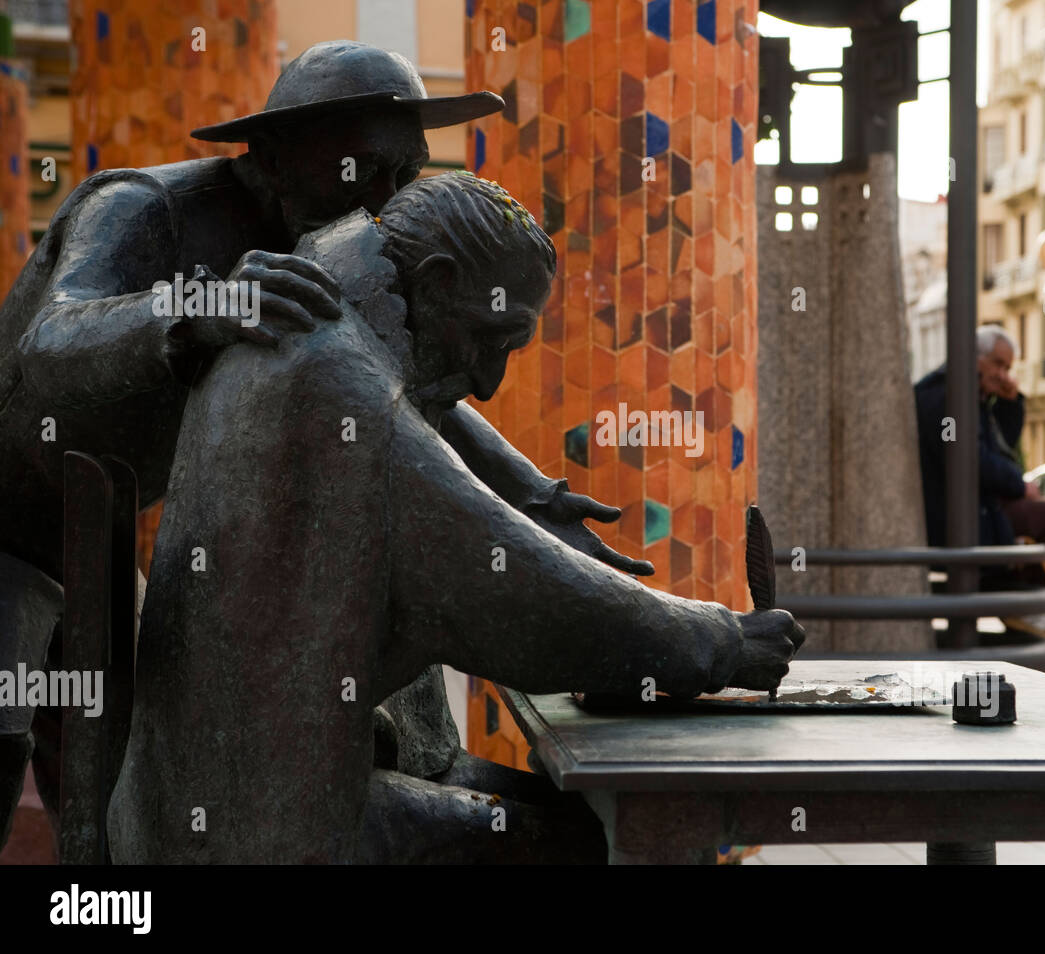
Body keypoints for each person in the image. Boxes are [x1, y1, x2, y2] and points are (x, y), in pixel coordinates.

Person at [0, 41, 645, 851]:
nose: (378, 198)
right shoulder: (141, 207)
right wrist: (203, 301)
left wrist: (532, 491)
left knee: (130, 774)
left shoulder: (321, 250)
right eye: (361, 169)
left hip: (94, 533)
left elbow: (395, 387)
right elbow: (52, 342)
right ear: (270, 150)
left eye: (401, 175)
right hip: (10, 532)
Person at [107, 173, 805, 864]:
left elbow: (446, 442)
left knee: (590, 815)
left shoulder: (322, 321)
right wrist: (725, 642)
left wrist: (535, 503)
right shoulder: (334, 379)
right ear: (436, 284)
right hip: (260, 835)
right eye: (491, 338)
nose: (491, 379)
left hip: (227, 800)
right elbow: (516, 587)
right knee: (634, 839)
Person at [914, 325, 1045, 644]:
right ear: (973, 357)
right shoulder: (944, 395)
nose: (1003, 374)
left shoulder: (972, 395)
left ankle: (1030, 605)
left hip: (983, 509)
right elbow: (967, 458)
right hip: (962, 517)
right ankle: (1026, 602)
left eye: (1008, 367)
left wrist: (1009, 403)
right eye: (997, 364)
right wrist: (1018, 486)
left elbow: (1003, 447)